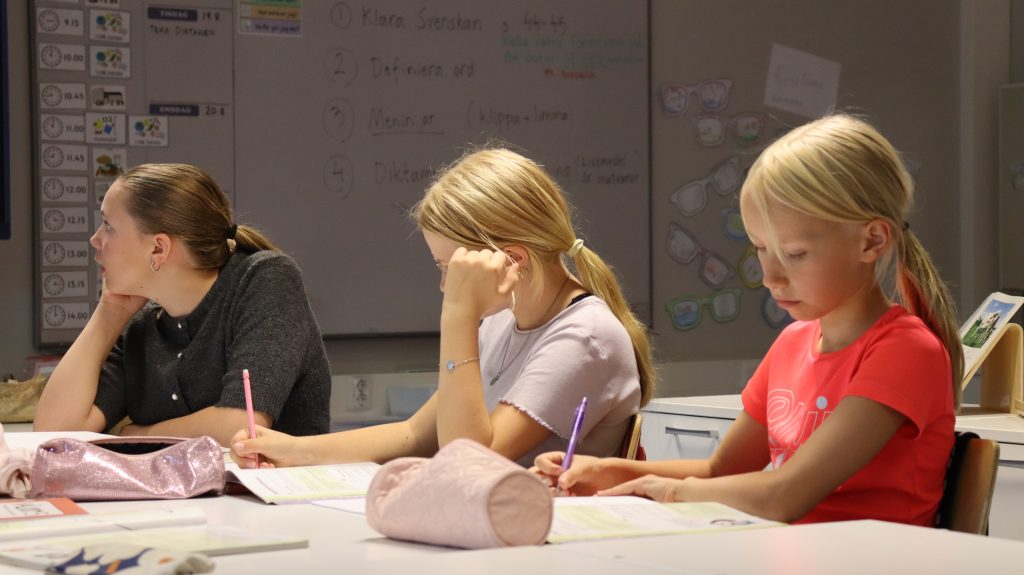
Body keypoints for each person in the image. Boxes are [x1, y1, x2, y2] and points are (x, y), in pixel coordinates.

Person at [534, 114, 964, 526]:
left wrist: (667, 491)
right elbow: (721, 470)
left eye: (794, 253)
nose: (770, 276)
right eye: (760, 249)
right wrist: (609, 471)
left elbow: (784, 495)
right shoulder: (793, 343)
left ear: (871, 240)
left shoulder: (906, 351)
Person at [230, 148, 656, 468]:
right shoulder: (504, 320)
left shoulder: (584, 339)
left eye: (448, 269)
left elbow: (468, 459)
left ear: (513, 261)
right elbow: (416, 433)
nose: (442, 286)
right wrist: (293, 450)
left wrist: (459, 314)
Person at [34, 163, 331, 446]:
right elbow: (54, 432)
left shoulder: (265, 278)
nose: (95, 239)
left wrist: (140, 435)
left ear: (158, 248)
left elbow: (241, 426)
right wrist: (109, 313)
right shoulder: (141, 325)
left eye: (108, 226)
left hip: (275, 483)